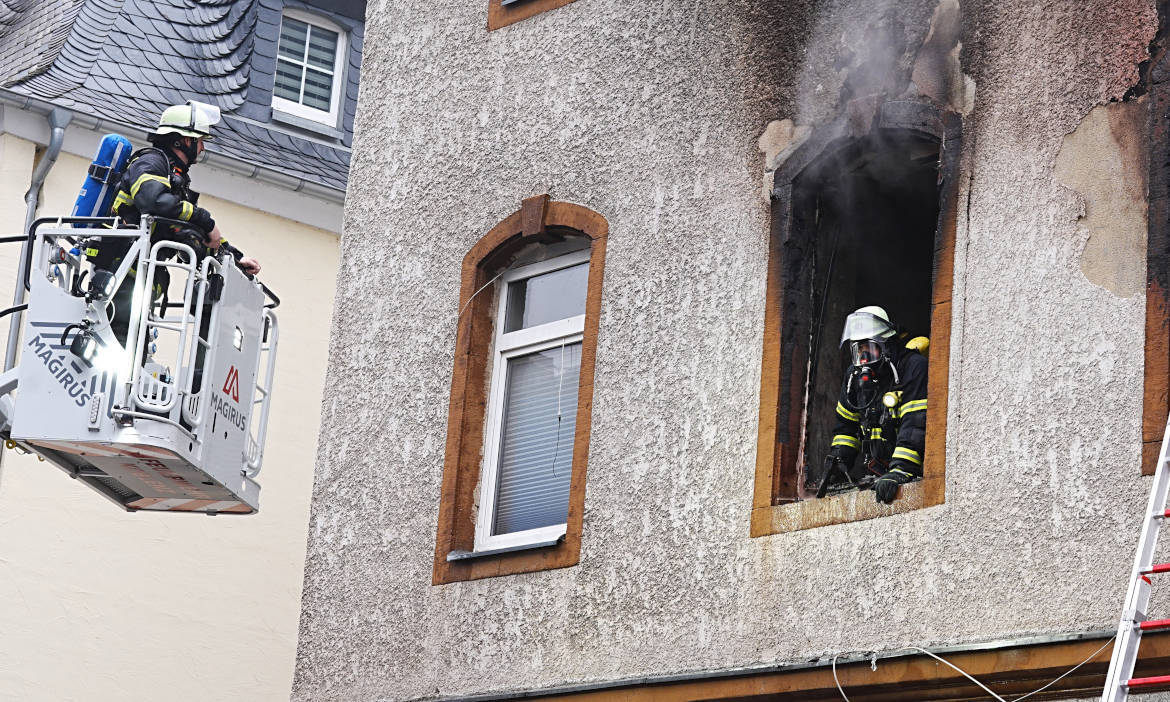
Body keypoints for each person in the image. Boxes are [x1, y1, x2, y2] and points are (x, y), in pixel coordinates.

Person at [91, 101, 260, 344]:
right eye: (199, 140)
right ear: (182, 140)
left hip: (137, 283)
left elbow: (192, 234)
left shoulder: (174, 179)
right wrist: (205, 219)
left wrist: (234, 259)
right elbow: (153, 200)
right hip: (121, 276)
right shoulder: (150, 163)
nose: (202, 148)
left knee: (132, 356)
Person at [822, 306, 928, 504]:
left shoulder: (913, 368)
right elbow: (846, 427)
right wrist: (838, 464)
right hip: (877, 474)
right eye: (858, 351)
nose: (863, 361)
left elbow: (915, 425)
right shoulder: (853, 378)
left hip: (910, 472)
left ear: (886, 346)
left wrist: (901, 469)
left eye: (869, 350)